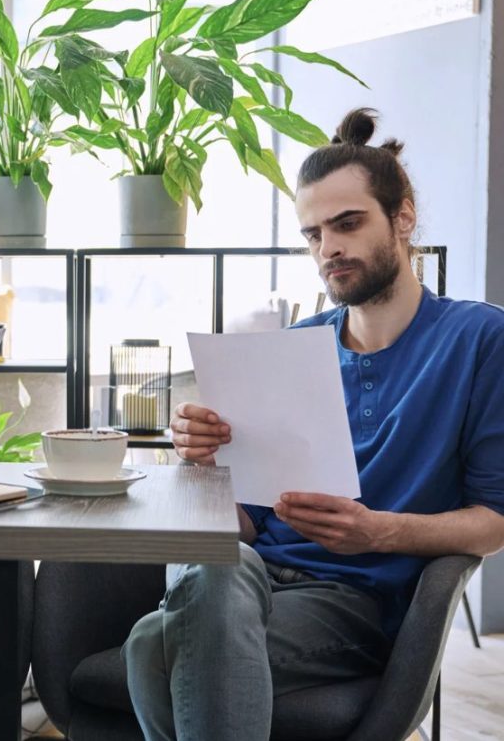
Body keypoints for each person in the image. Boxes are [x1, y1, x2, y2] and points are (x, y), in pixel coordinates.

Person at [122, 108, 504, 741]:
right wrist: (203, 465)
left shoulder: (479, 338)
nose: (328, 249)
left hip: (355, 601)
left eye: (347, 224)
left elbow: (495, 521)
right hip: (247, 578)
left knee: (149, 647)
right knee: (212, 573)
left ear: (403, 218)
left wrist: (378, 532)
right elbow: (246, 526)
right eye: (313, 234)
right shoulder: (294, 346)